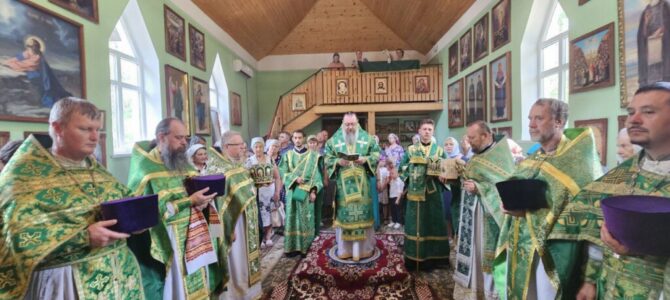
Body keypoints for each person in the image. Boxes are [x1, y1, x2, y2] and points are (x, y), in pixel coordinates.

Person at [0, 97, 143, 299]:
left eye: (98, 129)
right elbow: (17, 240)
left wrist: (137, 221)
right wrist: (83, 238)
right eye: (85, 129)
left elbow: (127, 202)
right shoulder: (21, 176)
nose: (95, 137)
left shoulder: (97, 171)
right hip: (65, 281)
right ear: (58, 128)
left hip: (120, 275)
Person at [553, 82, 670, 300]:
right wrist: (590, 280)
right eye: (631, 112)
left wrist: (640, 247)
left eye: (648, 112)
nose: (633, 120)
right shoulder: (619, 177)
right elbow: (596, 234)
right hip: (609, 288)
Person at [494, 98, 602, 299]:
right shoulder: (533, 159)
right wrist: (510, 206)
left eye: (538, 118)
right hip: (520, 244)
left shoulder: (580, 163)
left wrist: (590, 278)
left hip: (552, 252)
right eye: (529, 118)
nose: (531, 124)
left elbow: (591, 214)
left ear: (558, 122)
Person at [127, 117, 220, 299]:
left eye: (185, 138)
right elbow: (143, 213)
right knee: (177, 286)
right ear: (162, 137)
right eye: (179, 138)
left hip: (194, 233)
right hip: (168, 237)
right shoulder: (145, 170)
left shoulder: (182, 163)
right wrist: (189, 201)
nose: (184, 143)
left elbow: (194, 192)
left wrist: (202, 202)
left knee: (197, 280)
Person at [454, 121, 516, 300]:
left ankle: (490, 294)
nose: (468, 141)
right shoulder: (478, 154)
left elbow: (505, 187)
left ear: (486, 136)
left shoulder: (500, 156)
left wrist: (480, 188)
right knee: (475, 254)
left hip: (488, 217)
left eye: (472, 138)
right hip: (472, 216)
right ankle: (474, 291)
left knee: (485, 256)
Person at [206, 131, 261, 300]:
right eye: (239, 145)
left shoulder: (238, 166)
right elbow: (213, 205)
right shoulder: (216, 170)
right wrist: (223, 228)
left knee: (245, 259)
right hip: (231, 226)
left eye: (243, 144)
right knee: (235, 260)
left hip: (247, 223)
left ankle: (248, 290)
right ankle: (234, 294)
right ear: (226, 147)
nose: (243, 148)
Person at [324, 112, 381, 261]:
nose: (349, 127)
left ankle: (363, 250)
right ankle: (345, 250)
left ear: (357, 124)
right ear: (343, 124)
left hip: (362, 187)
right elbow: (327, 157)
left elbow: (376, 155)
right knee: (345, 217)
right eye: (347, 124)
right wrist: (337, 162)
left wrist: (365, 159)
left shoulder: (367, 139)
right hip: (343, 188)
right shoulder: (333, 141)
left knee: (362, 215)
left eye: (352, 124)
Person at [399, 119, 450, 270]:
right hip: (415, 193)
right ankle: (414, 258)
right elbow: (401, 168)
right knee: (415, 223)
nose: (427, 132)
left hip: (433, 193)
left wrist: (444, 175)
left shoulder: (440, 151)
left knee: (434, 223)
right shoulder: (411, 150)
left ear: (433, 132)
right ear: (419, 131)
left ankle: (435, 259)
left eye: (429, 129)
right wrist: (412, 174)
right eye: (424, 129)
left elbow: (447, 169)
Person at [279, 130, 323, 255]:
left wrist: (314, 191)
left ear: (304, 139)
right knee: (292, 218)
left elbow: (317, 176)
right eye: (295, 138)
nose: (297, 140)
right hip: (292, 191)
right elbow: (282, 172)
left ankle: (306, 248)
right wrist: (294, 178)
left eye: (300, 138)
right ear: (292, 139)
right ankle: (292, 248)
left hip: (307, 192)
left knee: (306, 219)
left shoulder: (313, 156)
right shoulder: (287, 155)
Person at [2, 37, 71, 107]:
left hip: (41, 75)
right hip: (33, 73)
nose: (31, 48)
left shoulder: (38, 56)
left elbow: (27, 64)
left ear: (37, 47)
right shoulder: (27, 53)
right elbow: (17, 58)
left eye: (33, 46)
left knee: (45, 90)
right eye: (29, 46)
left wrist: (11, 64)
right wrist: (7, 62)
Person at [246, 137, 281, 248]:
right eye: (256, 147)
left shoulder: (270, 159)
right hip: (256, 192)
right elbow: (246, 178)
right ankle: (260, 237)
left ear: (264, 147)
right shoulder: (249, 161)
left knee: (270, 212)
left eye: (260, 146)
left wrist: (277, 192)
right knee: (259, 214)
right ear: (252, 148)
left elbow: (277, 177)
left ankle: (268, 237)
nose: (258, 149)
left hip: (269, 190)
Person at [637, 0, 670, 86]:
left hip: (664, 53)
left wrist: (661, 30)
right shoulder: (646, 11)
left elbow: (667, 26)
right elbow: (641, 36)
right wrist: (646, 24)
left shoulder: (664, 6)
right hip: (651, 55)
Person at [443, 137, 464, 239]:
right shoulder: (443, 158)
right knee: (447, 213)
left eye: (451, 144)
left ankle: (458, 236)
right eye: (446, 144)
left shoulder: (461, 158)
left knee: (456, 213)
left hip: (457, 190)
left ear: (455, 145)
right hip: (446, 189)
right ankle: (449, 236)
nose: (448, 146)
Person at [388, 162, 405, 229]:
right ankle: (394, 220)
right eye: (391, 173)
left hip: (397, 197)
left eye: (393, 173)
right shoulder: (392, 180)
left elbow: (400, 192)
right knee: (393, 210)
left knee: (398, 210)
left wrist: (398, 200)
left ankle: (399, 222)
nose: (391, 175)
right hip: (392, 197)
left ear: (398, 174)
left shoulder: (399, 181)